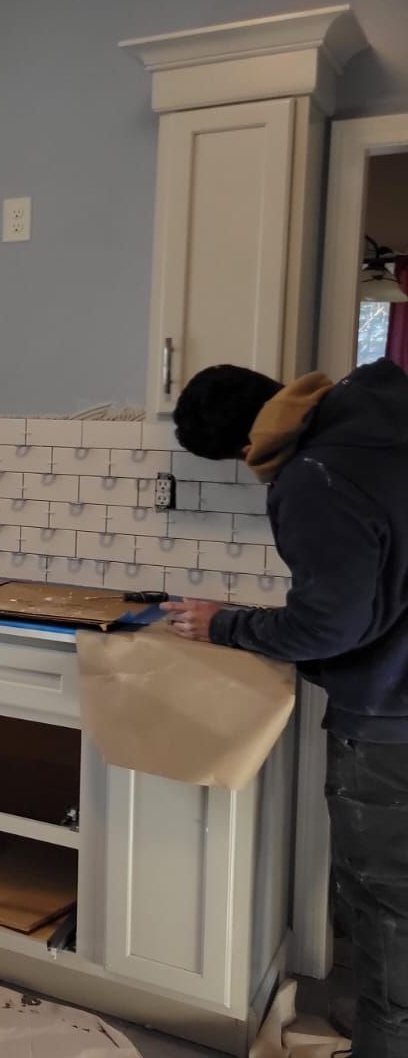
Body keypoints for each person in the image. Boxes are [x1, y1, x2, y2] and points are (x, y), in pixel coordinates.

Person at [164, 357, 408, 1058]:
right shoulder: (380, 410)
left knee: (386, 905)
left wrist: (225, 624)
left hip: (391, 720)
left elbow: (328, 627)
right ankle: (379, 1020)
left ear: (249, 448)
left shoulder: (314, 476)